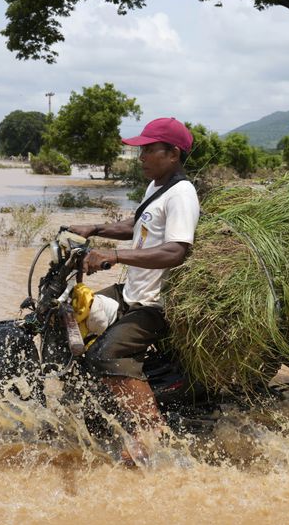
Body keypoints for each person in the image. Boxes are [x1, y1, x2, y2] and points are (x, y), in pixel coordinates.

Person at [68, 117, 200, 463]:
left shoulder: (182, 193)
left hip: (155, 303)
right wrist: (96, 227)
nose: (140, 156)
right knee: (72, 319)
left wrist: (111, 255)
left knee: (106, 354)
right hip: (131, 290)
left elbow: (177, 250)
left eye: (147, 149)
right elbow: (136, 224)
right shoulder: (156, 187)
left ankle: (150, 430)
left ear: (172, 153)